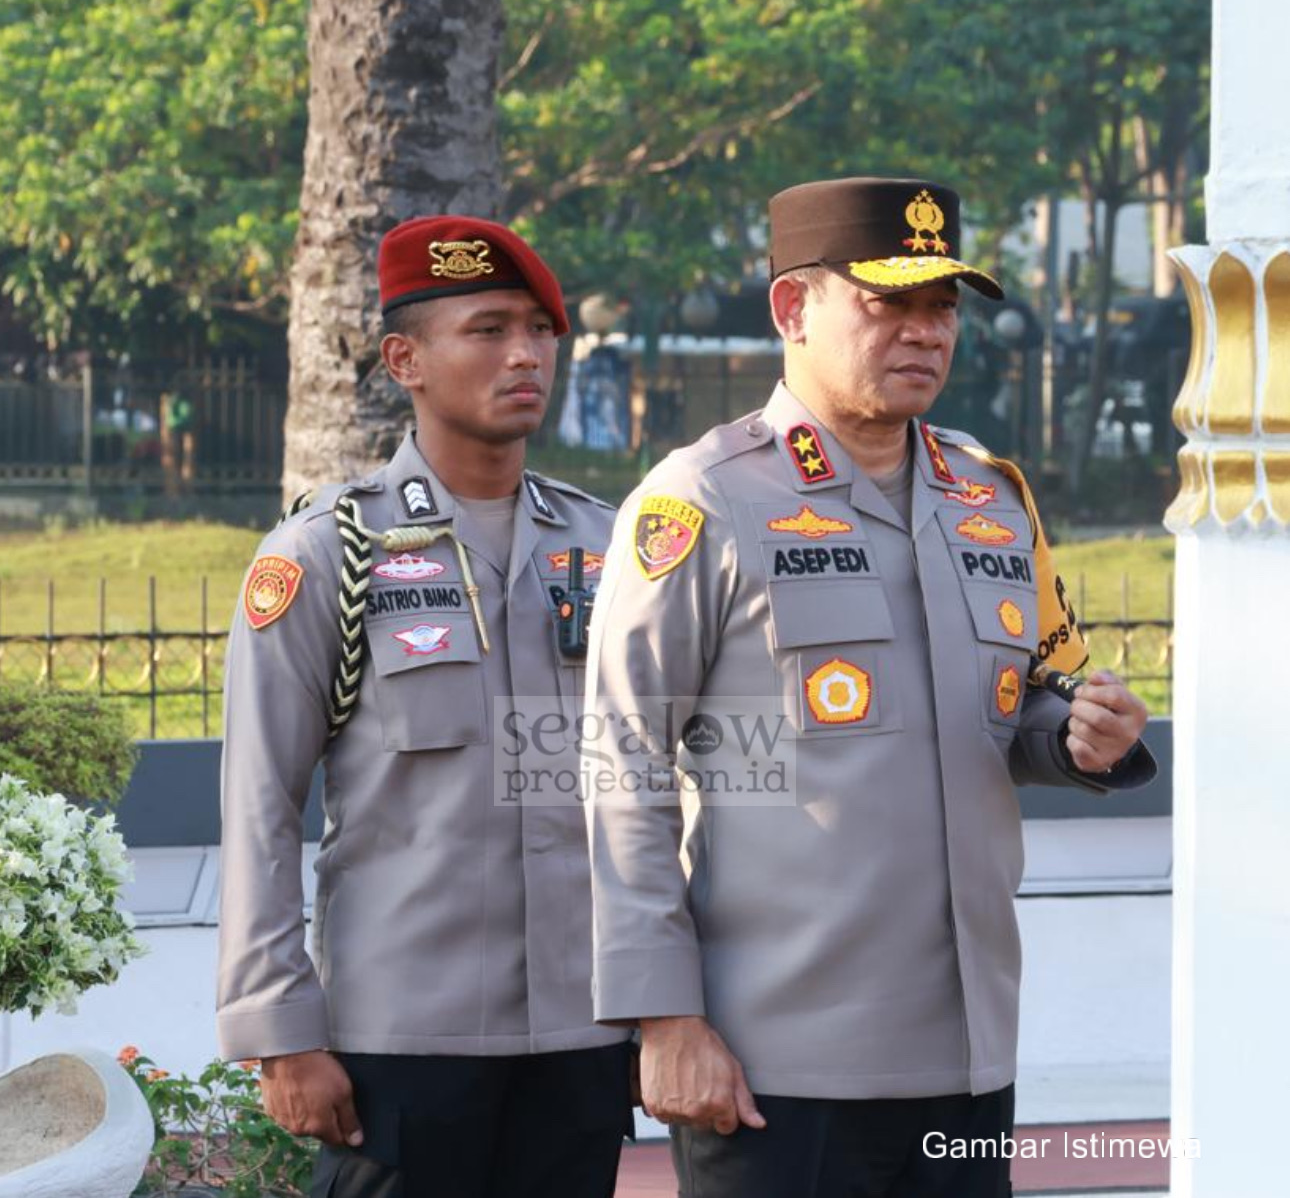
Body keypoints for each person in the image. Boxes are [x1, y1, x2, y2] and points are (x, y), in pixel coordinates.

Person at [583, 177, 1156, 1198]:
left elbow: (1012, 705)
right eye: (887, 303)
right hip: (777, 1066)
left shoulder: (988, 495)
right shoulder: (704, 500)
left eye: (942, 308)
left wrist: (1078, 735)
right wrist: (663, 1019)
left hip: (968, 1052)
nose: (926, 333)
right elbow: (620, 759)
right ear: (793, 309)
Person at [218, 216, 632, 1198]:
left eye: (539, 331)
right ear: (404, 359)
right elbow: (259, 808)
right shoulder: (327, 554)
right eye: (488, 330)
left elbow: (668, 785)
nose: (525, 355)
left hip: (581, 1031)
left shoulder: (611, 549)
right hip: (401, 1043)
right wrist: (282, 1031)